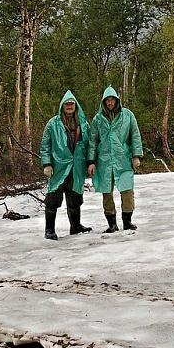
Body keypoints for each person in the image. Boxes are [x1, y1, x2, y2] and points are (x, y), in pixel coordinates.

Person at [87, 86, 143, 233]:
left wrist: (136, 156)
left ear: (117, 101)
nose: (110, 103)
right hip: (104, 161)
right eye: (107, 100)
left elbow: (135, 135)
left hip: (123, 159)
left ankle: (127, 222)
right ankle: (112, 224)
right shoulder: (98, 119)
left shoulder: (127, 116)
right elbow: (93, 141)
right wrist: (91, 161)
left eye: (112, 100)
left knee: (127, 190)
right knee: (106, 192)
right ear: (104, 102)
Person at [40, 90, 92, 240]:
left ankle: (76, 226)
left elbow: (90, 145)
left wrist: (90, 162)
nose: (69, 106)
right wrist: (47, 163)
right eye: (67, 104)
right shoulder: (53, 124)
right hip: (58, 167)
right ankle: (49, 229)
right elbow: (45, 145)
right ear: (62, 106)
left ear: (76, 106)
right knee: (53, 198)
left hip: (77, 167)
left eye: (72, 104)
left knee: (75, 197)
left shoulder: (83, 124)